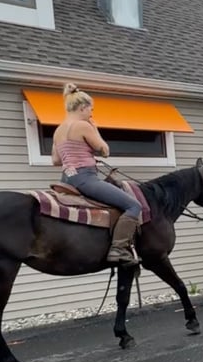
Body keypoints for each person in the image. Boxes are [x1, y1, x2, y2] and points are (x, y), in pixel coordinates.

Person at [51, 83, 142, 265]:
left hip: (67, 179)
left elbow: (56, 161)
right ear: (83, 107)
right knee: (134, 206)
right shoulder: (83, 125)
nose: (91, 114)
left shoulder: (58, 130)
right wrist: (95, 129)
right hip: (85, 179)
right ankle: (118, 249)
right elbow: (104, 150)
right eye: (91, 110)